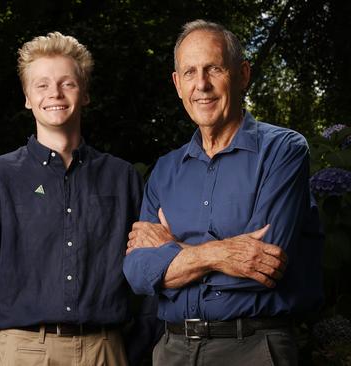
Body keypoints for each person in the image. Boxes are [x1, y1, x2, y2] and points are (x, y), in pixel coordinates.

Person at [0, 31, 148, 366]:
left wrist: (132, 351)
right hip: (23, 351)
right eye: (42, 85)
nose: (55, 94)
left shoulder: (122, 179)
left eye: (67, 83)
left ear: (86, 92)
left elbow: (153, 273)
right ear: (27, 97)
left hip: (106, 350)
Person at [123, 19, 323, 365]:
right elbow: (138, 273)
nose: (201, 84)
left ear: (243, 74)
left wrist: (171, 252)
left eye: (214, 68)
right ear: (177, 84)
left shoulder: (283, 150)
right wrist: (224, 254)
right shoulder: (165, 170)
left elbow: (265, 263)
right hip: (172, 350)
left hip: (253, 347)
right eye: (189, 73)